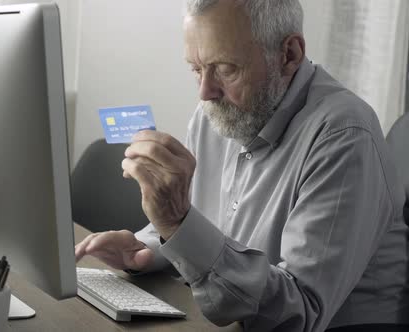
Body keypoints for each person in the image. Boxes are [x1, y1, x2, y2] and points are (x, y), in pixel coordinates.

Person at [74, 0, 409, 331]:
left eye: (225, 69)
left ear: (289, 54)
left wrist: (176, 224)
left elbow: (298, 314)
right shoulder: (218, 112)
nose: (205, 92)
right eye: (196, 69)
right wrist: (150, 247)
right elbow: (206, 227)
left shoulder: (345, 136)